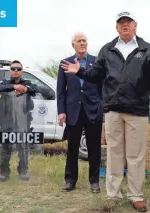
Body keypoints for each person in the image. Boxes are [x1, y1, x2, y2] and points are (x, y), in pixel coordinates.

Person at [60, 11, 150, 212]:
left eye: (128, 22)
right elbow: (95, 75)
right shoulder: (107, 50)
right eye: (121, 23)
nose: (125, 26)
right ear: (117, 27)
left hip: (136, 109)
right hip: (113, 109)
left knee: (136, 155)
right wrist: (79, 71)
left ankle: (136, 195)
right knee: (114, 153)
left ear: (135, 26)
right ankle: (113, 193)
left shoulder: (146, 49)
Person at [57, 32, 103, 193]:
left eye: (84, 41)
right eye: (79, 41)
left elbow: (102, 87)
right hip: (73, 110)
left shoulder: (96, 62)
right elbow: (61, 90)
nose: (82, 43)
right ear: (73, 45)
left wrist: (101, 106)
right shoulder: (65, 63)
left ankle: (94, 181)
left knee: (94, 148)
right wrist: (61, 111)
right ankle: (70, 180)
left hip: (93, 110)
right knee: (73, 147)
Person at [0, 60, 39, 182]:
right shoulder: (4, 83)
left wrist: (25, 89)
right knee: (5, 147)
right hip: (6, 121)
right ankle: (4, 173)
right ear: (10, 70)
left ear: (22, 71)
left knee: (23, 147)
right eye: (13, 68)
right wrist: (14, 86)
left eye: (18, 69)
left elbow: (36, 89)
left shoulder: (27, 83)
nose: (16, 71)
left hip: (22, 121)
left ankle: (23, 172)